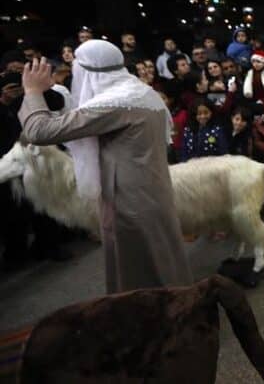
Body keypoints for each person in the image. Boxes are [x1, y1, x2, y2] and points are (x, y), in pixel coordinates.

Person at [18, 41, 191, 293]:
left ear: (89, 73)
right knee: (162, 260)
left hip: (128, 201)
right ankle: (178, 311)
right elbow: (80, 116)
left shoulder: (115, 103)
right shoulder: (139, 92)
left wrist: (32, 92)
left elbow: (39, 131)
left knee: (139, 272)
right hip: (151, 194)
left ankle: (155, 323)